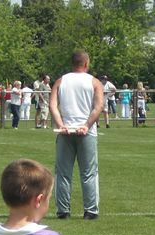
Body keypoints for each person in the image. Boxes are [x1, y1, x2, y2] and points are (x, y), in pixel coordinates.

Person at [49, 50, 104, 220]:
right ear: (86, 63)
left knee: (63, 173)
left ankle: (63, 211)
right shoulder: (94, 82)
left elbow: (52, 105)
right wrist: (86, 125)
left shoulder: (60, 81)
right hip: (86, 133)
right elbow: (98, 106)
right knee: (88, 173)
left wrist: (61, 124)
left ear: (72, 63)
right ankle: (90, 211)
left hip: (65, 132)